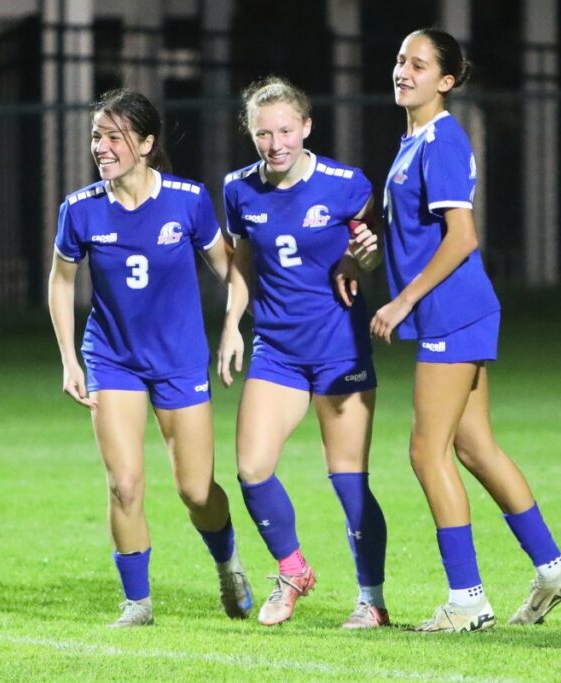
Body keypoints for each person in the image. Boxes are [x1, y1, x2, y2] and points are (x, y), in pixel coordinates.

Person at [373, 28, 561, 633]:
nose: (402, 71)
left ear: (446, 81)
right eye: (399, 59)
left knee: (425, 452)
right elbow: (414, 232)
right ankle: (551, 566)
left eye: (418, 64)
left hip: (451, 311)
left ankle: (467, 598)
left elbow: (462, 237)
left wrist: (401, 301)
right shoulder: (415, 138)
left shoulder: (440, 137)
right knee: (474, 447)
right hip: (457, 310)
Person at [48, 89, 253, 628]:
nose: (102, 147)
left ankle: (227, 560)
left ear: (145, 142)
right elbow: (61, 282)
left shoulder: (187, 200)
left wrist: (232, 327)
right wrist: (70, 359)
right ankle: (137, 603)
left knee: (195, 489)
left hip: (181, 361)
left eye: (114, 137)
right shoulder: (81, 208)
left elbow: (230, 271)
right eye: (97, 136)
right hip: (112, 359)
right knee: (124, 483)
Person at [218, 76, 389, 628]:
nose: (275, 144)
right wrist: (231, 326)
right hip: (277, 350)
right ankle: (293, 570)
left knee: (348, 478)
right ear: (250, 134)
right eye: (263, 133)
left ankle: (372, 599)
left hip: (339, 347)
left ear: (306, 128)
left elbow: (369, 251)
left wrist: (362, 259)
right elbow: (243, 264)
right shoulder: (238, 190)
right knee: (251, 468)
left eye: (286, 130)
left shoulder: (347, 184)